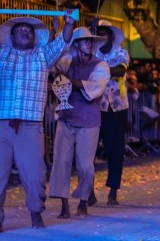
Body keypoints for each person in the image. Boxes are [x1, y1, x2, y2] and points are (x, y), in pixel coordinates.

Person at [0, 4, 74, 234]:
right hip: (1, 126)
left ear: (35, 37)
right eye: (21, 29)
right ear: (12, 34)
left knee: (35, 175)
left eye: (30, 30)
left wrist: (70, 23)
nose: (26, 31)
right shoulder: (0, 53)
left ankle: (35, 211)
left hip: (30, 126)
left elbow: (64, 42)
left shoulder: (43, 56)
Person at [49, 27, 109, 218]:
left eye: (90, 41)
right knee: (61, 162)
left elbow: (93, 88)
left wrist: (68, 81)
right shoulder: (68, 61)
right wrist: (53, 36)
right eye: (85, 41)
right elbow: (52, 65)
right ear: (76, 44)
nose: (89, 44)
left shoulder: (101, 65)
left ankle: (83, 201)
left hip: (89, 121)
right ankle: (64, 204)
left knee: (85, 165)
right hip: (66, 119)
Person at [91, 19, 132, 206]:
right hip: (94, 107)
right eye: (98, 33)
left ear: (111, 36)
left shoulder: (121, 52)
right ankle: (88, 190)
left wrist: (98, 69)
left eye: (104, 33)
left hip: (116, 108)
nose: (101, 37)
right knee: (88, 151)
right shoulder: (91, 52)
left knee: (115, 151)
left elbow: (120, 72)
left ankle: (113, 190)